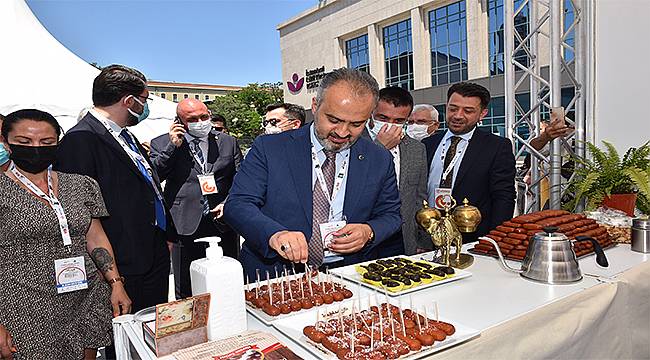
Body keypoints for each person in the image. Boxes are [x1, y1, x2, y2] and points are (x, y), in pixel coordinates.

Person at [224, 68, 401, 280]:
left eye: (356, 124)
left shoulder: (379, 158)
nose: (343, 132)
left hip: (349, 277)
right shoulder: (270, 148)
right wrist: (275, 235)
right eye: (333, 119)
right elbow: (238, 205)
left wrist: (369, 231)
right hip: (275, 276)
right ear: (315, 106)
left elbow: (391, 215)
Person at [0, 109, 131, 359]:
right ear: (6, 142)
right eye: (25, 142)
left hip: (85, 296)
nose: (36, 148)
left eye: (47, 142)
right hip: (23, 305)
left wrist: (116, 283)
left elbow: (95, 236)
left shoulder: (81, 184)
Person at [55, 64, 171, 314]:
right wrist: (112, 277)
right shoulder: (81, 139)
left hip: (151, 250)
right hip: (121, 261)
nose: (145, 107)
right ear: (128, 101)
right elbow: (79, 214)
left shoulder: (126, 136)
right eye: (144, 99)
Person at [150, 99, 243, 299]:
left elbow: (241, 179)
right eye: (192, 119)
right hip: (185, 221)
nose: (200, 122)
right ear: (179, 121)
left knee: (227, 279)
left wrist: (228, 203)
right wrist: (173, 146)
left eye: (204, 117)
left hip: (222, 220)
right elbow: (155, 176)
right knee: (186, 282)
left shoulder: (227, 141)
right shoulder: (162, 143)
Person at [423, 82, 516, 242]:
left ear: (482, 114)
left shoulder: (497, 147)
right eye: (453, 109)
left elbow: (503, 197)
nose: (458, 115)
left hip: (471, 238)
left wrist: (495, 240)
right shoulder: (427, 144)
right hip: (427, 233)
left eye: (468, 111)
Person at [363, 87, 430, 255]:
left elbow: (419, 198)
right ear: (371, 113)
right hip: (363, 234)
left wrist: (422, 239)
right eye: (383, 118)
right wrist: (380, 148)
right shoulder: (354, 142)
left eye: (398, 120)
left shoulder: (417, 149)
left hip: (401, 236)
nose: (390, 125)